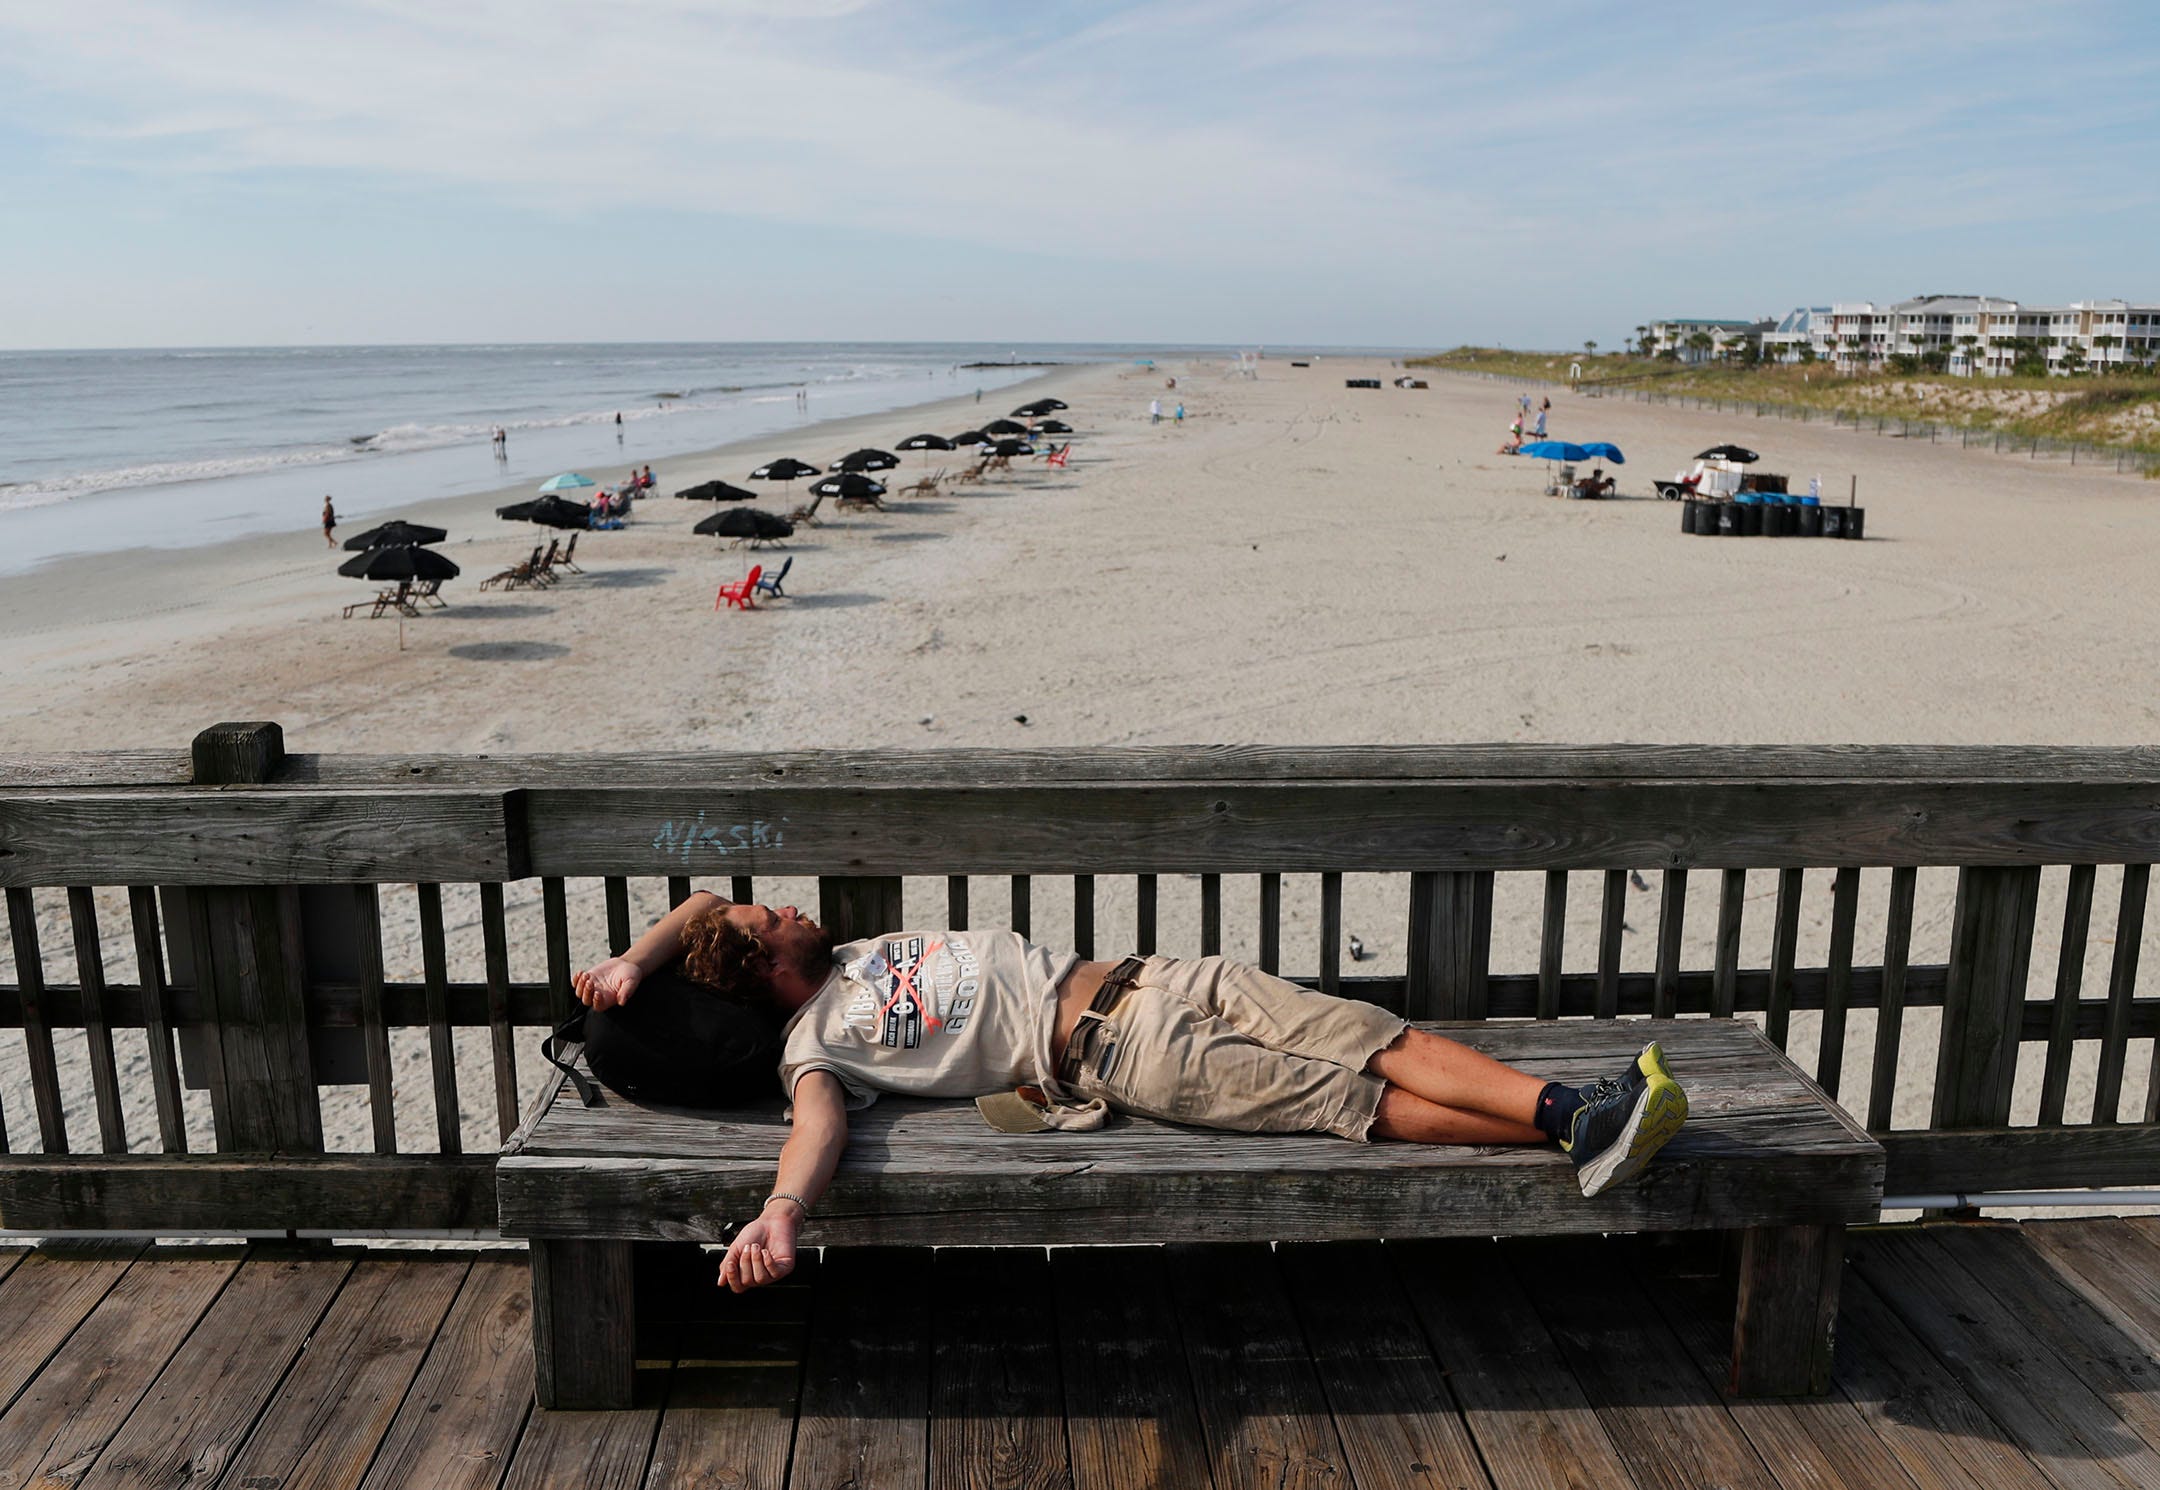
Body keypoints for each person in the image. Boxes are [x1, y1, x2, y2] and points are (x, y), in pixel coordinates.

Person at [573, 892, 1690, 1294]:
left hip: (1156, 974)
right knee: (1344, 1099)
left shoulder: (849, 950)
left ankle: (1570, 1112)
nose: (787, 903)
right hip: (1123, 1056)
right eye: (776, 917)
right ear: (770, 965)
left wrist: (630, 964)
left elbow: (701, 898)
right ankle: (1576, 1131)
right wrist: (780, 1211)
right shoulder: (815, 1046)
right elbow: (814, 1133)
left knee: (1371, 1033)